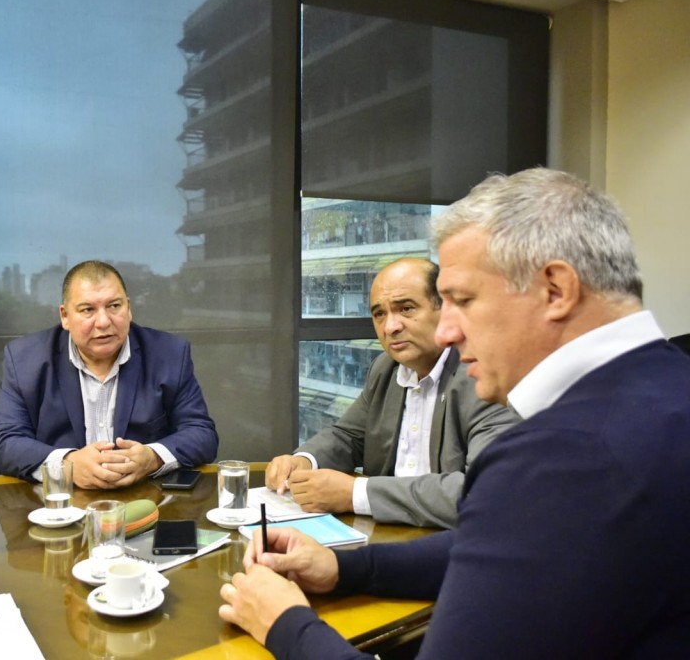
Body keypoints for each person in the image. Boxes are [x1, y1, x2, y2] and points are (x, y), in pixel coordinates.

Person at [219, 168, 690, 658]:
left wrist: (285, 624)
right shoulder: (666, 392)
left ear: (555, 290)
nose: (447, 332)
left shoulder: (562, 456)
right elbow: (501, 542)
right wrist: (346, 569)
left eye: (463, 301)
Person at [266, 258, 517, 528]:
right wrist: (304, 460)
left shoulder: (483, 377)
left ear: (445, 310)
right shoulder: (386, 369)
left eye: (406, 309)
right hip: (384, 532)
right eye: (379, 314)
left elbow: (482, 491)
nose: (390, 327)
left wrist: (354, 494)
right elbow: (348, 436)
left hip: (453, 541)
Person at [0, 260, 218, 489]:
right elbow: (2, 443)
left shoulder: (169, 354)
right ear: (65, 316)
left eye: (114, 306)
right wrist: (66, 464)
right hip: (62, 504)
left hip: (147, 502)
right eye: (88, 310)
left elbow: (201, 433)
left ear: (129, 308)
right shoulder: (26, 360)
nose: (104, 321)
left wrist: (152, 458)